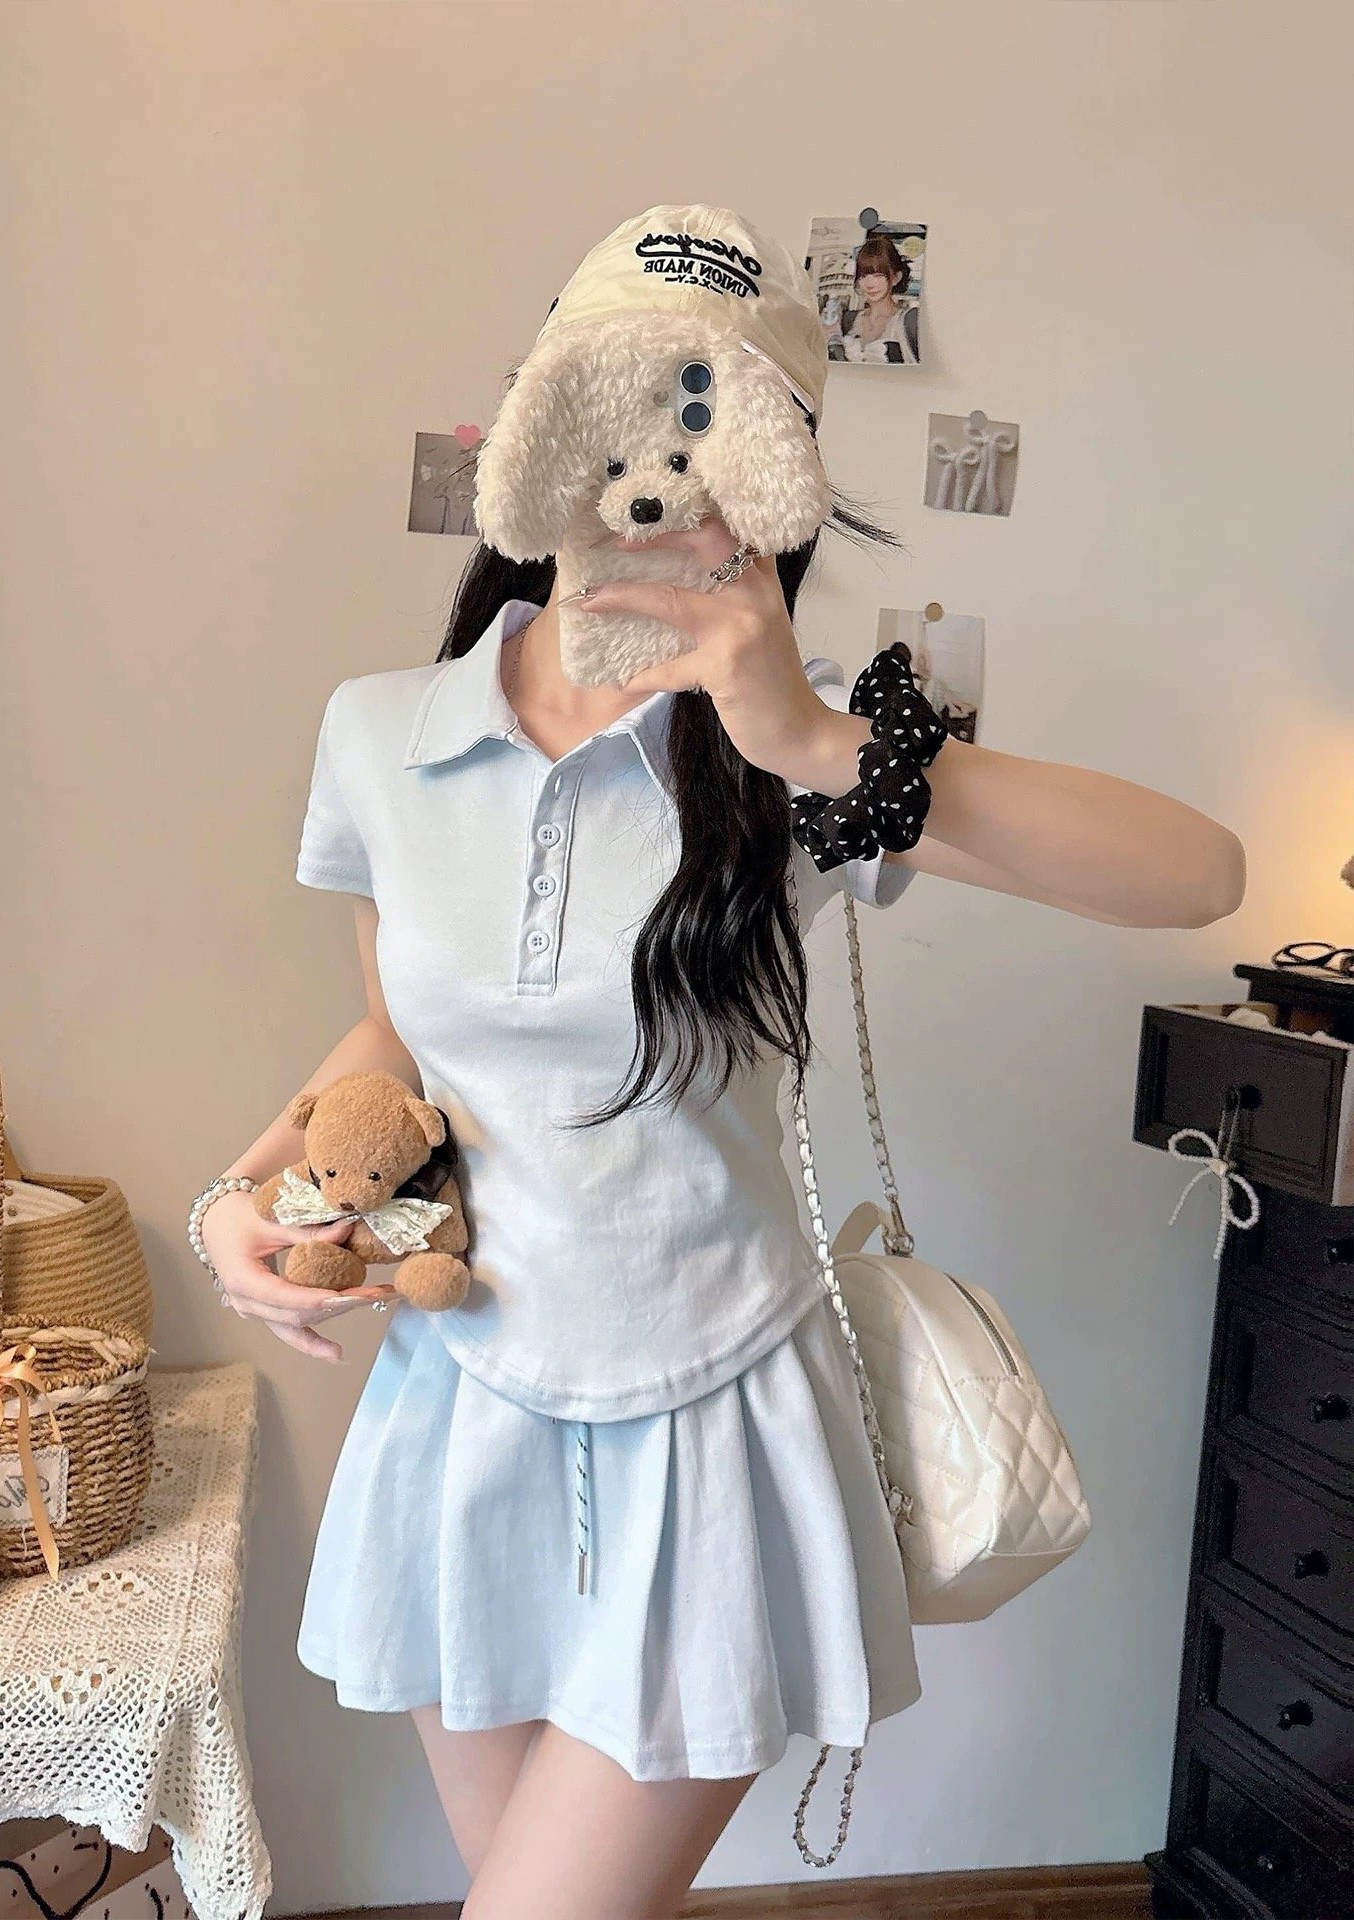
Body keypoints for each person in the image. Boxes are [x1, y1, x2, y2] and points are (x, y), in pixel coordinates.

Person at [195, 211, 1245, 1920]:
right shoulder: (380, 731)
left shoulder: (800, 749)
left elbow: (1197, 875)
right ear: (540, 427)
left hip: (715, 1425)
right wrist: (238, 1199)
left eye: (710, 431)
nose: (658, 481)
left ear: (775, 484)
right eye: (615, 413)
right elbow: (399, 1035)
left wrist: (820, 743)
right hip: (464, 1415)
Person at [827, 230, 920, 364]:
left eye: (878, 276)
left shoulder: (910, 321)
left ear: (896, 277)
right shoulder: (849, 320)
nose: (870, 284)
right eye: (863, 276)